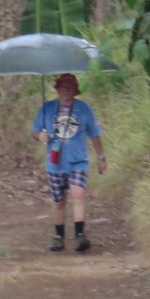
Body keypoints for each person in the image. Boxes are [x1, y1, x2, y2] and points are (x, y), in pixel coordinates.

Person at [31, 73, 106, 253]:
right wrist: (40, 136)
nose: (67, 91)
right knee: (59, 201)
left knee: (78, 196)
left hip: (78, 161)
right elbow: (35, 130)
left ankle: (80, 235)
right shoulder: (47, 108)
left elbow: (94, 134)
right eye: (64, 87)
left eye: (70, 88)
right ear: (57, 89)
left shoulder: (83, 109)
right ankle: (58, 237)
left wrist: (101, 157)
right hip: (56, 163)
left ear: (75, 91)